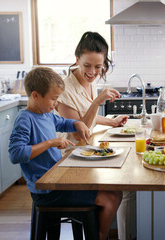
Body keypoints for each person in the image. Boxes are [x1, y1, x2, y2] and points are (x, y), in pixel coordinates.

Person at [8, 67, 122, 240]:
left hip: (57, 181)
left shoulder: (46, 114)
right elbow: (15, 154)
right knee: (111, 198)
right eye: (53, 99)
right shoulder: (25, 119)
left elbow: (63, 122)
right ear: (36, 96)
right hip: (47, 192)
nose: (55, 104)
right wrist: (50, 143)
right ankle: (97, 236)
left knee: (112, 189)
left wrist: (77, 124)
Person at [55, 31, 134, 240]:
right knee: (118, 190)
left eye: (98, 67)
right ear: (77, 59)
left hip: (88, 154)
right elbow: (78, 131)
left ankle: (98, 234)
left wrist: (111, 121)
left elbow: (86, 115)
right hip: (70, 161)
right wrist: (98, 102)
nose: (92, 72)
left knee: (123, 183)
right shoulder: (63, 89)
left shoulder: (90, 82)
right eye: (87, 65)